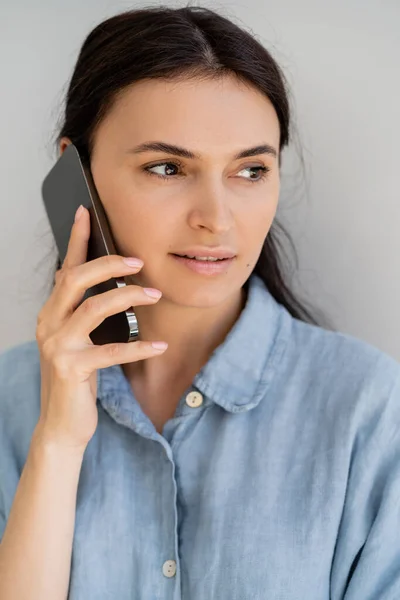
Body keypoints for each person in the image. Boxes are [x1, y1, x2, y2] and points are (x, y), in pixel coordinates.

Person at [0, 5, 399, 599]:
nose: (216, 219)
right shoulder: (11, 402)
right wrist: (57, 445)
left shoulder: (368, 407)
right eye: (167, 167)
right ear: (74, 173)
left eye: (251, 170)